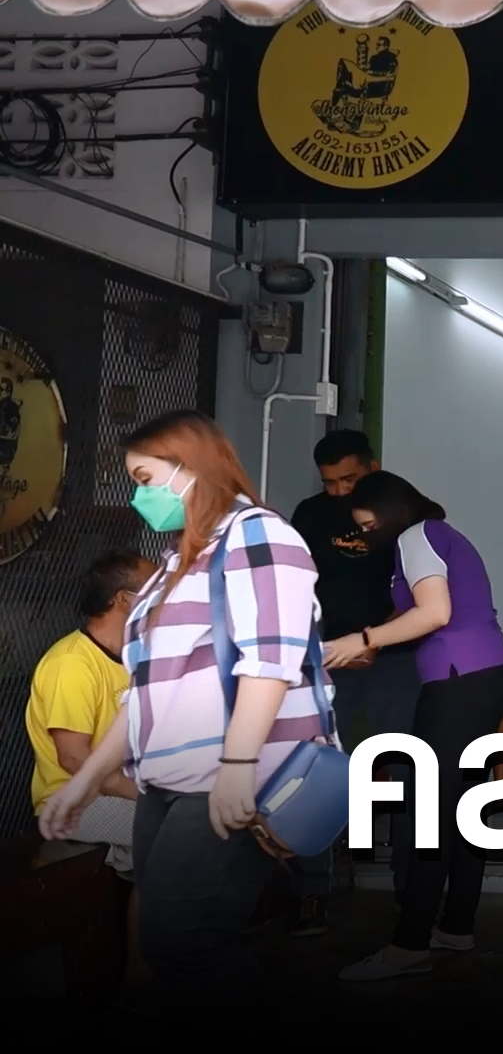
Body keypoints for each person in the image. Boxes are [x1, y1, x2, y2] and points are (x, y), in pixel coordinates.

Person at [39, 409, 331, 1011]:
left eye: (146, 479)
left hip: (223, 778)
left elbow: (269, 660)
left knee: (184, 944)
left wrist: (238, 766)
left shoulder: (259, 536)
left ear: (189, 469)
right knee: (168, 942)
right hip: (166, 785)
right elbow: (145, 695)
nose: (138, 497)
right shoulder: (176, 563)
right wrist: (86, 784)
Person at [328, 470, 503, 981]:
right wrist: (370, 643)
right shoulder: (441, 536)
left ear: (391, 513)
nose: (365, 536)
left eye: (369, 526)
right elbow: (414, 614)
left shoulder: (416, 536)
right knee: (463, 809)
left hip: (458, 683)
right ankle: (456, 926)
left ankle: (408, 945)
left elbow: (435, 613)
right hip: (486, 675)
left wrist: (363, 640)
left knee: (432, 813)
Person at [288, 430, 423, 932]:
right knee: (318, 772)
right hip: (329, 663)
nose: (340, 492)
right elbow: (296, 586)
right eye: (330, 483)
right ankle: (311, 891)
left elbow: (420, 595)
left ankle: (412, 888)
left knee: (406, 770)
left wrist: (373, 643)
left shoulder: (402, 515)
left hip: (395, 661)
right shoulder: (309, 516)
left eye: (349, 479)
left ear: (373, 468)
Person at [26, 548, 159, 990]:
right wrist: (143, 793)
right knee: (163, 838)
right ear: (125, 600)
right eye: (155, 585)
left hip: (120, 790)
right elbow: (73, 759)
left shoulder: (134, 656)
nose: (166, 593)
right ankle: (140, 979)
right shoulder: (71, 663)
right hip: (73, 804)